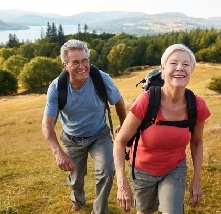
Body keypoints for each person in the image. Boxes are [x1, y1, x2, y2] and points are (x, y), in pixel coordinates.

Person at [113, 43, 211, 214]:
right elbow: (120, 141)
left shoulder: (197, 105)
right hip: (142, 169)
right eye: (173, 63)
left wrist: (196, 180)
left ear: (191, 70)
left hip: (175, 167)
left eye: (186, 64)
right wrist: (122, 184)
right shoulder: (146, 101)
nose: (180, 68)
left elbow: (196, 143)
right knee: (145, 211)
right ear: (163, 68)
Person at [42, 39, 126, 214]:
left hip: (99, 135)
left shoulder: (101, 79)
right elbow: (47, 124)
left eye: (85, 60)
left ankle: (99, 210)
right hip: (72, 138)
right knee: (76, 178)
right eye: (75, 62)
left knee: (107, 171)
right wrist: (58, 153)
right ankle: (78, 200)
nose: (82, 66)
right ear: (65, 65)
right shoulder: (57, 88)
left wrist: (123, 126)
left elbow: (118, 102)